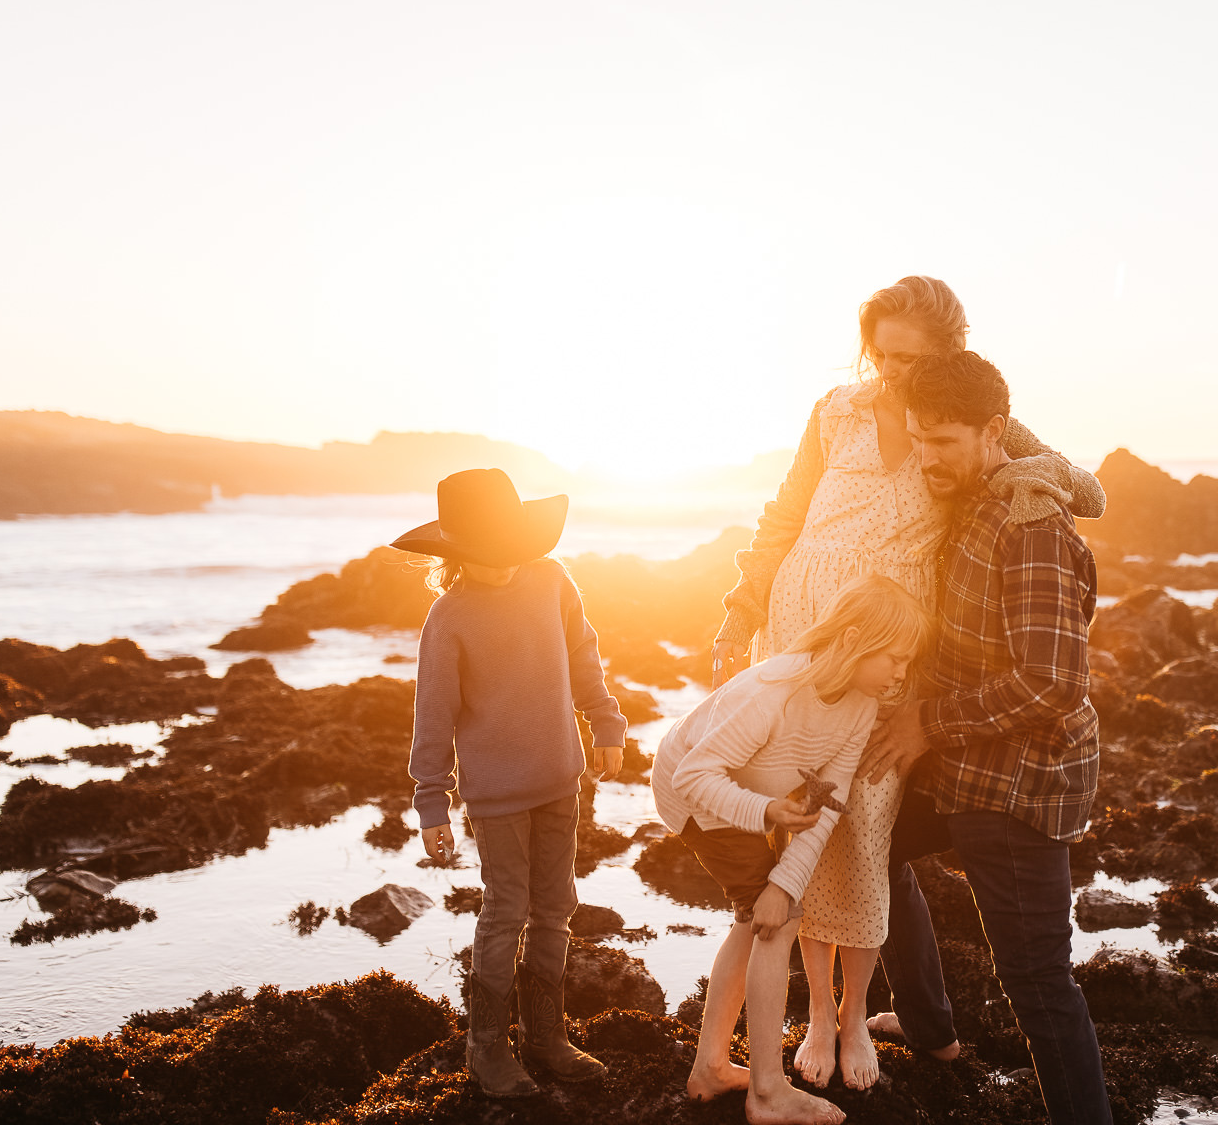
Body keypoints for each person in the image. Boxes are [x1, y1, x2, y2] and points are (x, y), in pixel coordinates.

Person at [711, 275, 1103, 1089]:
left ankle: (864, 1020)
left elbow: (1085, 490)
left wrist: (1036, 484)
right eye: (879, 356)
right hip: (804, 636)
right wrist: (739, 608)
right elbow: (783, 517)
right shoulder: (836, 410)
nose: (889, 375)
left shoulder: (973, 418)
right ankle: (857, 1016)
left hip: (896, 653)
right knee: (824, 828)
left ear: (951, 356)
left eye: (908, 359)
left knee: (867, 831)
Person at [859, 351, 1114, 1125]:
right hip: (961, 768)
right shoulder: (975, 493)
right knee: (870, 846)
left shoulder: (1029, 523)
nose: (925, 459)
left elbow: (1052, 683)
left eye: (942, 442)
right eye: (917, 439)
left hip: (1016, 783)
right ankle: (929, 1023)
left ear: (991, 432)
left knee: (1037, 983)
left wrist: (926, 722)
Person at [656, 575, 932, 1125]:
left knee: (767, 913)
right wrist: (765, 814)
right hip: (696, 795)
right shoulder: (772, 692)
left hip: (748, 796)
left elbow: (824, 807)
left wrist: (784, 883)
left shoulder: (857, 707)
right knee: (775, 925)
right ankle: (766, 1093)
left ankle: (711, 1067)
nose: (902, 673)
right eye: (896, 659)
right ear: (854, 639)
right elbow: (694, 774)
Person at [397, 467, 627, 1099]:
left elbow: (584, 653)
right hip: (495, 796)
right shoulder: (449, 618)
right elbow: (433, 716)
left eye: (508, 552)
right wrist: (431, 804)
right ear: (455, 554)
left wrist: (606, 720)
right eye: (482, 555)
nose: (499, 565)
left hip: (562, 777)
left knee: (556, 909)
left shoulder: (552, 581)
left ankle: (545, 1038)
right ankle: (487, 1048)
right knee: (507, 912)